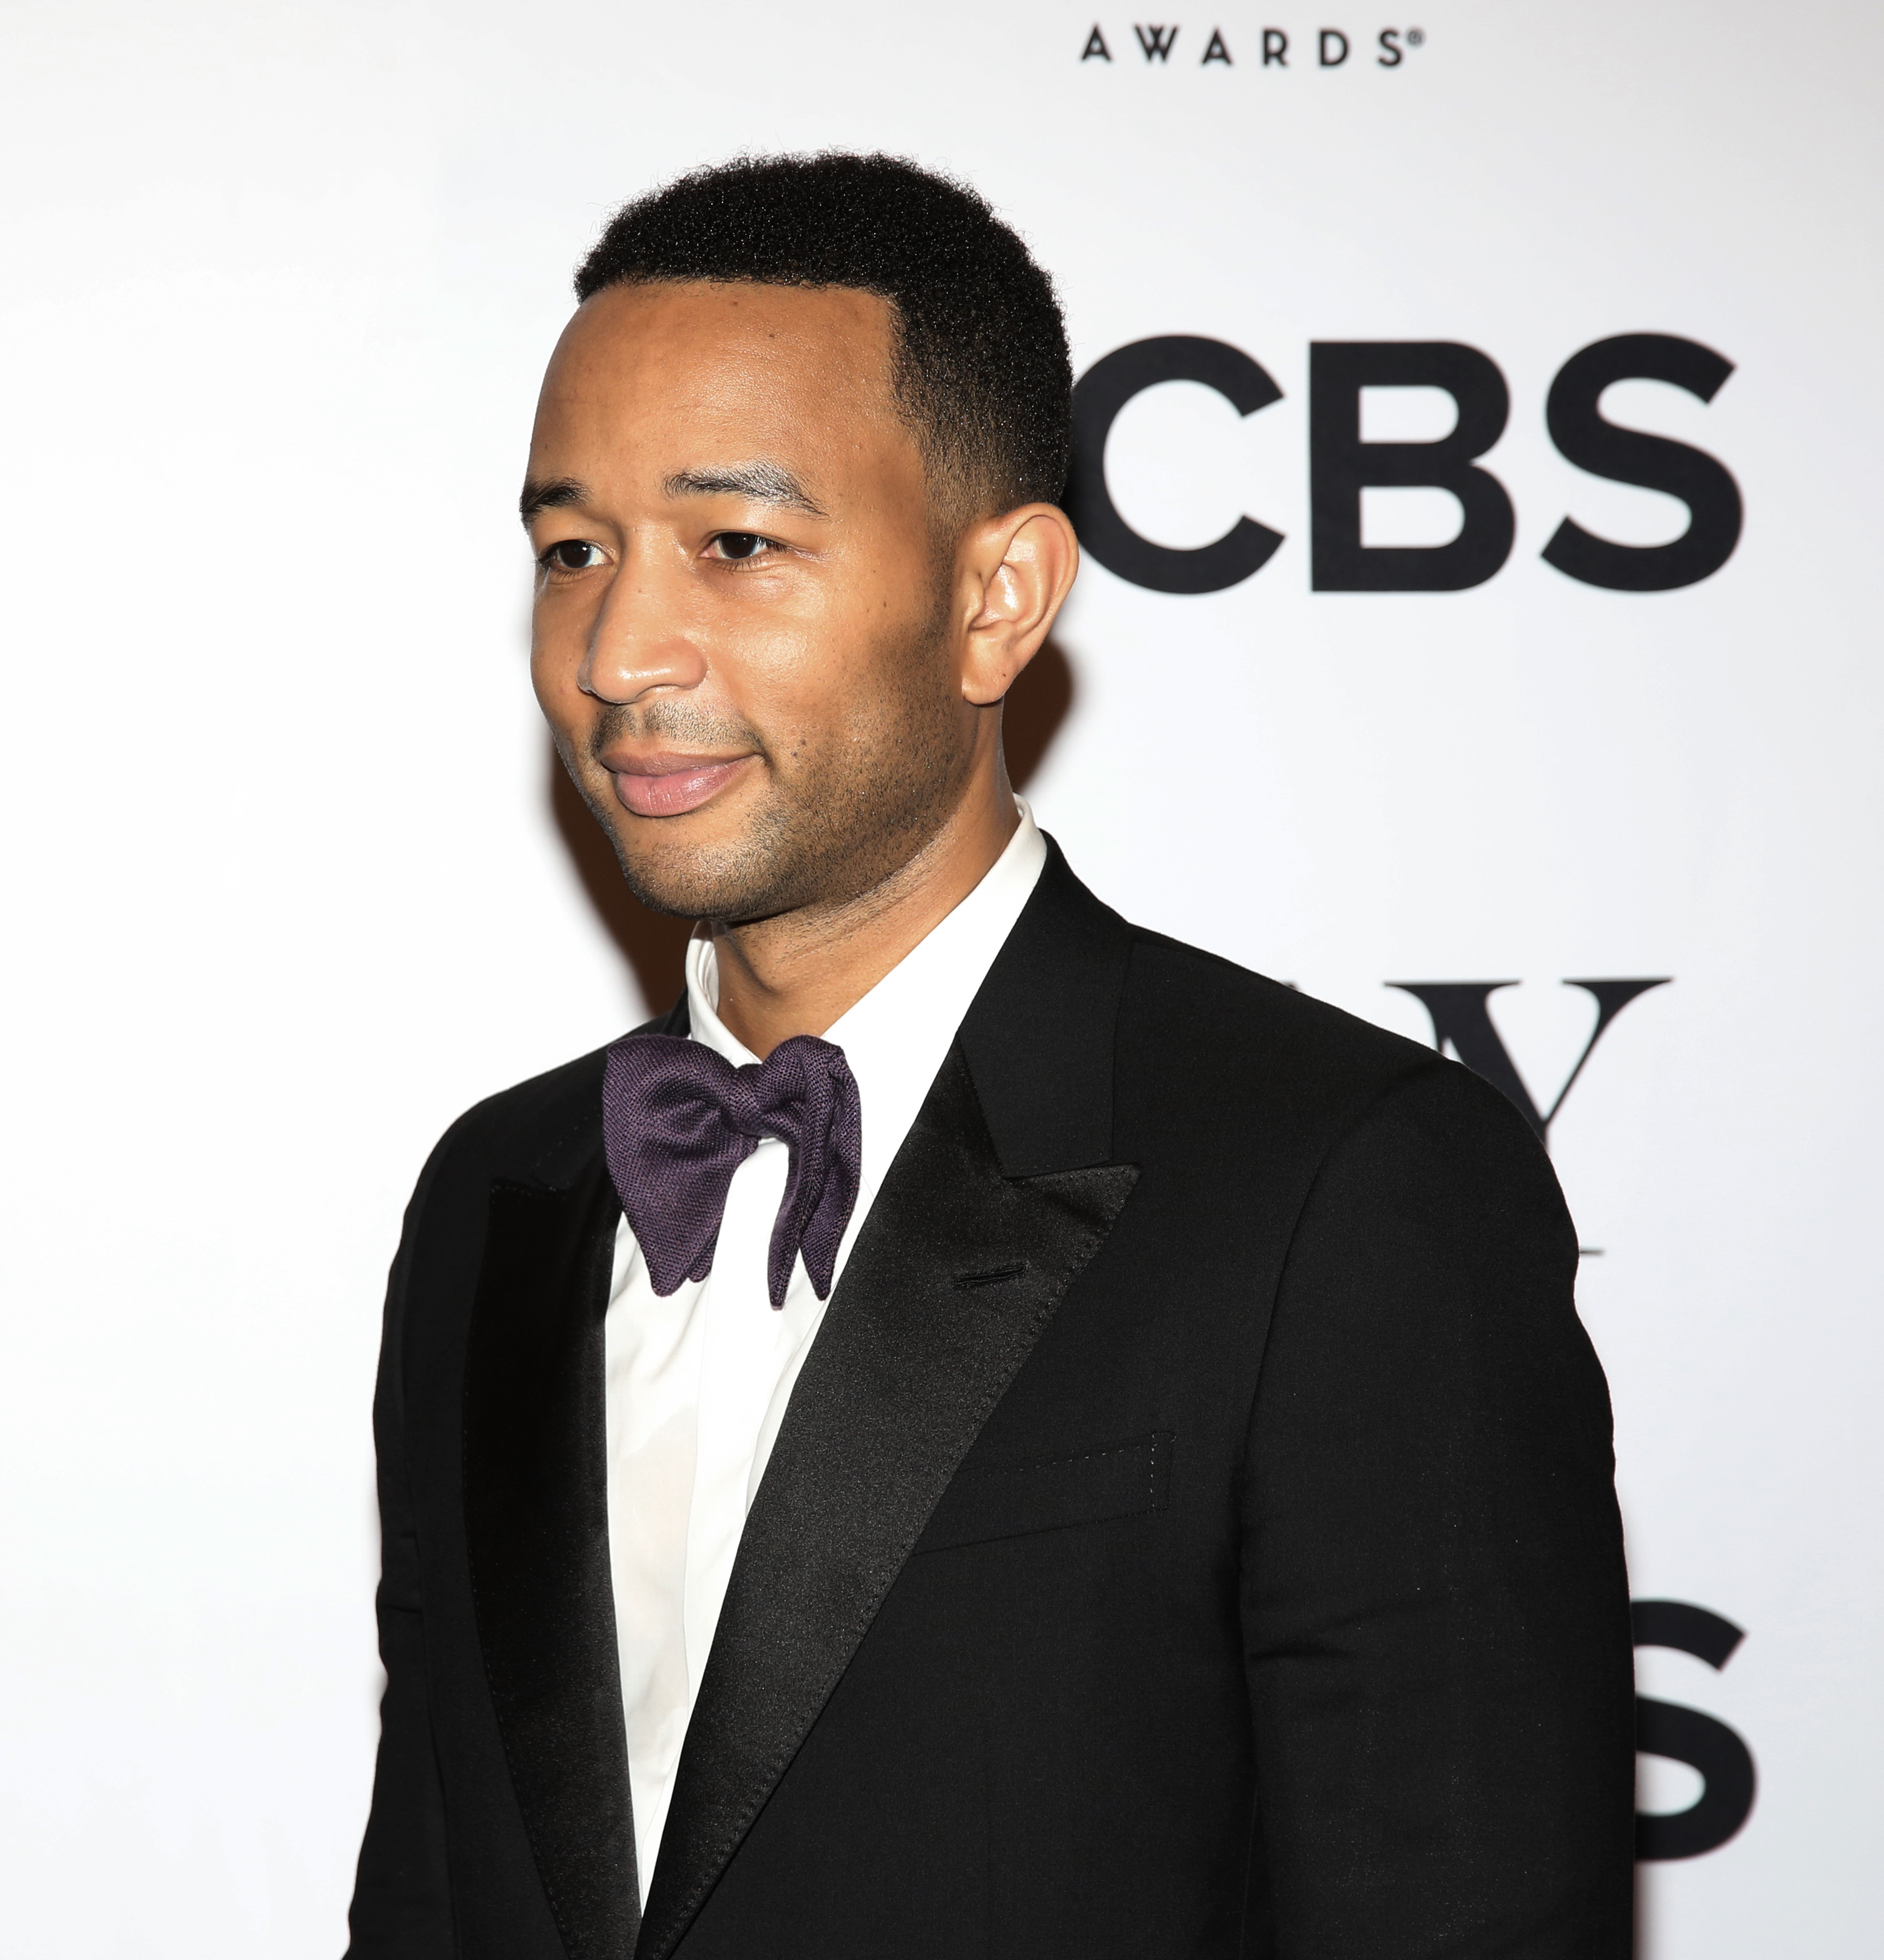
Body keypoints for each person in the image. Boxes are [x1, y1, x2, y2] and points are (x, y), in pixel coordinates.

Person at [343, 154, 1635, 1960]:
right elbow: (435, 1892)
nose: (622, 650)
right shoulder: (501, 1195)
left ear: (998, 597)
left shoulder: (1340, 1187)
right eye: (575, 552)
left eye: (737, 544)